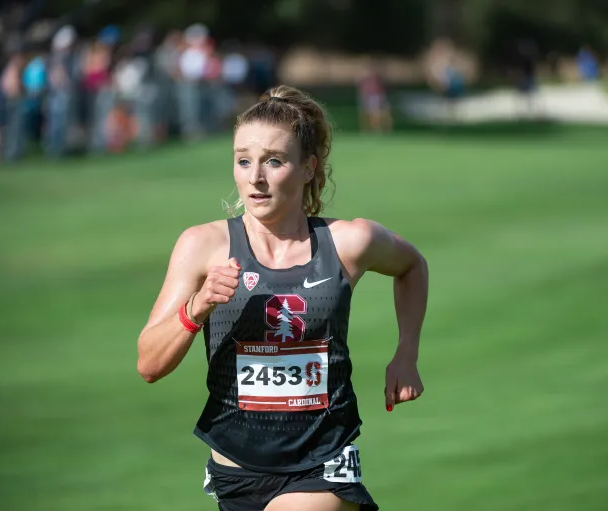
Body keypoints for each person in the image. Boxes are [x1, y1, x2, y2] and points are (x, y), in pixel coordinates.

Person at [137, 85, 428, 511]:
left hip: (324, 460)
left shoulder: (349, 241)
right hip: (235, 469)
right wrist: (197, 307)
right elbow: (148, 364)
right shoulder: (203, 246)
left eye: (274, 161)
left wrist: (406, 354)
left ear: (308, 168)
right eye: (243, 161)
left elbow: (411, 266)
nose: (256, 177)